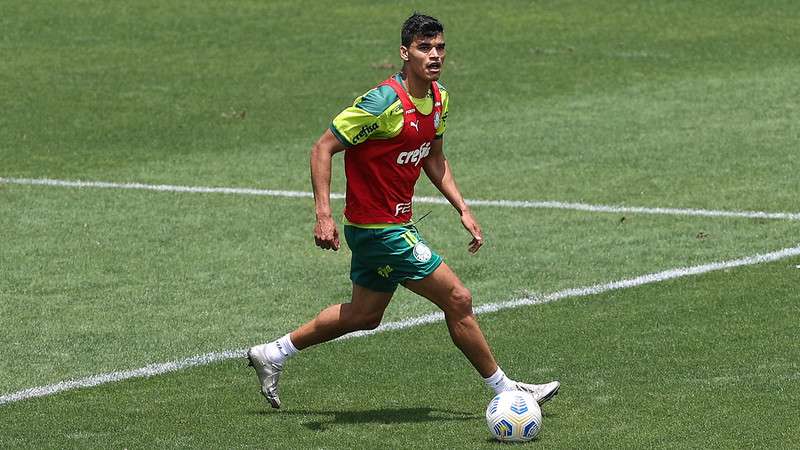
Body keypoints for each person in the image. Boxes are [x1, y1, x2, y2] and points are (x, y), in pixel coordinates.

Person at [247, 13, 559, 409]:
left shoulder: (439, 98)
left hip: (389, 225)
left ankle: (272, 353)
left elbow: (434, 157)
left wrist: (461, 207)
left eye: (440, 48)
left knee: (364, 315)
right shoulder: (382, 102)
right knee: (458, 299)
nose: (434, 56)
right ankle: (506, 389)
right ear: (404, 52)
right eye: (424, 48)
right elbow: (322, 148)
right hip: (380, 230)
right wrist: (323, 215)